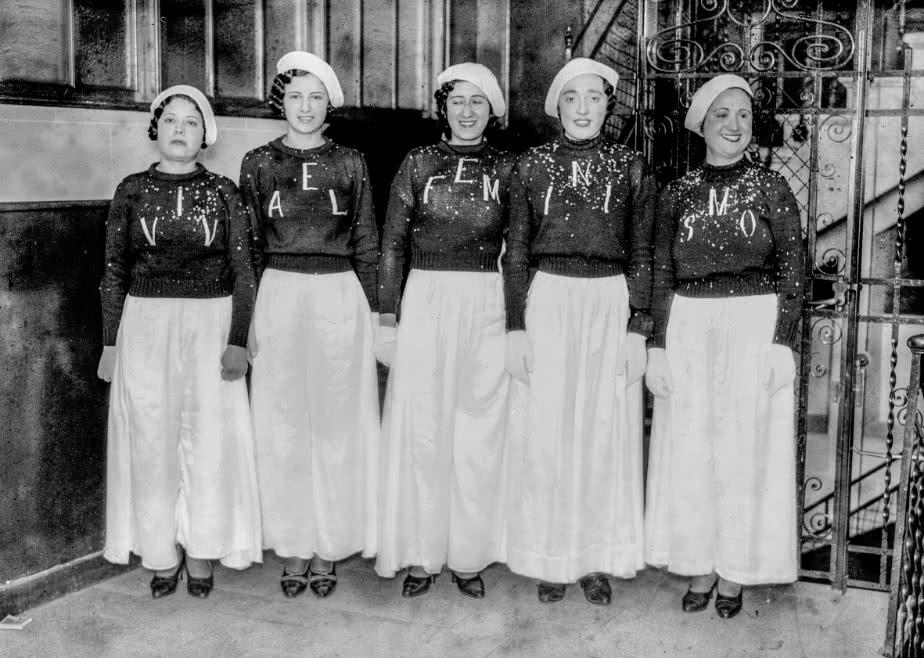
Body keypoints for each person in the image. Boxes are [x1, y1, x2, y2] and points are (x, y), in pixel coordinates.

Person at [644, 74, 804, 619]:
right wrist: (657, 345)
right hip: (689, 322)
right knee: (691, 448)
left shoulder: (772, 187)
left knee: (744, 451)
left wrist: (782, 340)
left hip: (753, 322)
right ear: (702, 124)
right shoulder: (676, 192)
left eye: (743, 115)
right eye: (722, 114)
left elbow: (793, 268)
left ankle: (735, 571)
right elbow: (660, 271)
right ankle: (699, 565)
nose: (734, 125)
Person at [98, 85, 262, 599]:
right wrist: (110, 343)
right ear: (155, 129)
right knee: (151, 439)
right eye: (170, 119)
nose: (179, 129)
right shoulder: (131, 190)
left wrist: (238, 340)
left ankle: (202, 550)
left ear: (205, 135)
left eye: (191, 122)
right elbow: (114, 270)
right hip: (145, 324)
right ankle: (160, 553)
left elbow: (244, 270)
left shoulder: (224, 191)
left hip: (210, 322)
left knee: (209, 439)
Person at [503, 58, 656, 604]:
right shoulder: (531, 165)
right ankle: (551, 556)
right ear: (559, 107)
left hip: (609, 300)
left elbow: (643, 251)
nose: (584, 108)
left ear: (607, 106)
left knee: (602, 432)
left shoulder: (631, 166)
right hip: (548, 297)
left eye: (594, 97)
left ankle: (594, 559)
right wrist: (515, 326)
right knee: (548, 432)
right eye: (573, 98)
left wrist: (638, 327)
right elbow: (517, 251)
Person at [239, 51, 380, 599]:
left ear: (329, 105)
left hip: (339, 293)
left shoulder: (351, 162)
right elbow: (248, 247)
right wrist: (245, 321)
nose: (305, 107)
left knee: (337, 423)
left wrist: (376, 313)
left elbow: (366, 240)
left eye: (315, 97)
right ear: (281, 102)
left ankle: (329, 545)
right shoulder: (257, 162)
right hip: (277, 293)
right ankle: (294, 545)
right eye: (295, 96)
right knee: (283, 424)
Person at [373, 63, 515, 599]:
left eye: (478, 101)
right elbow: (392, 244)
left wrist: (516, 320)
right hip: (426, 298)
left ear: (492, 110)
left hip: (487, 300)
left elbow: (517, 249)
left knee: (478, 432)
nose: (467, 111)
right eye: (457, 100)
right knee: (424, 430)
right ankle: (421, 552)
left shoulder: (508, 168)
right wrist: (387, 317)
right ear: (443, 107)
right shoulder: (417, 163)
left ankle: (468, 555)